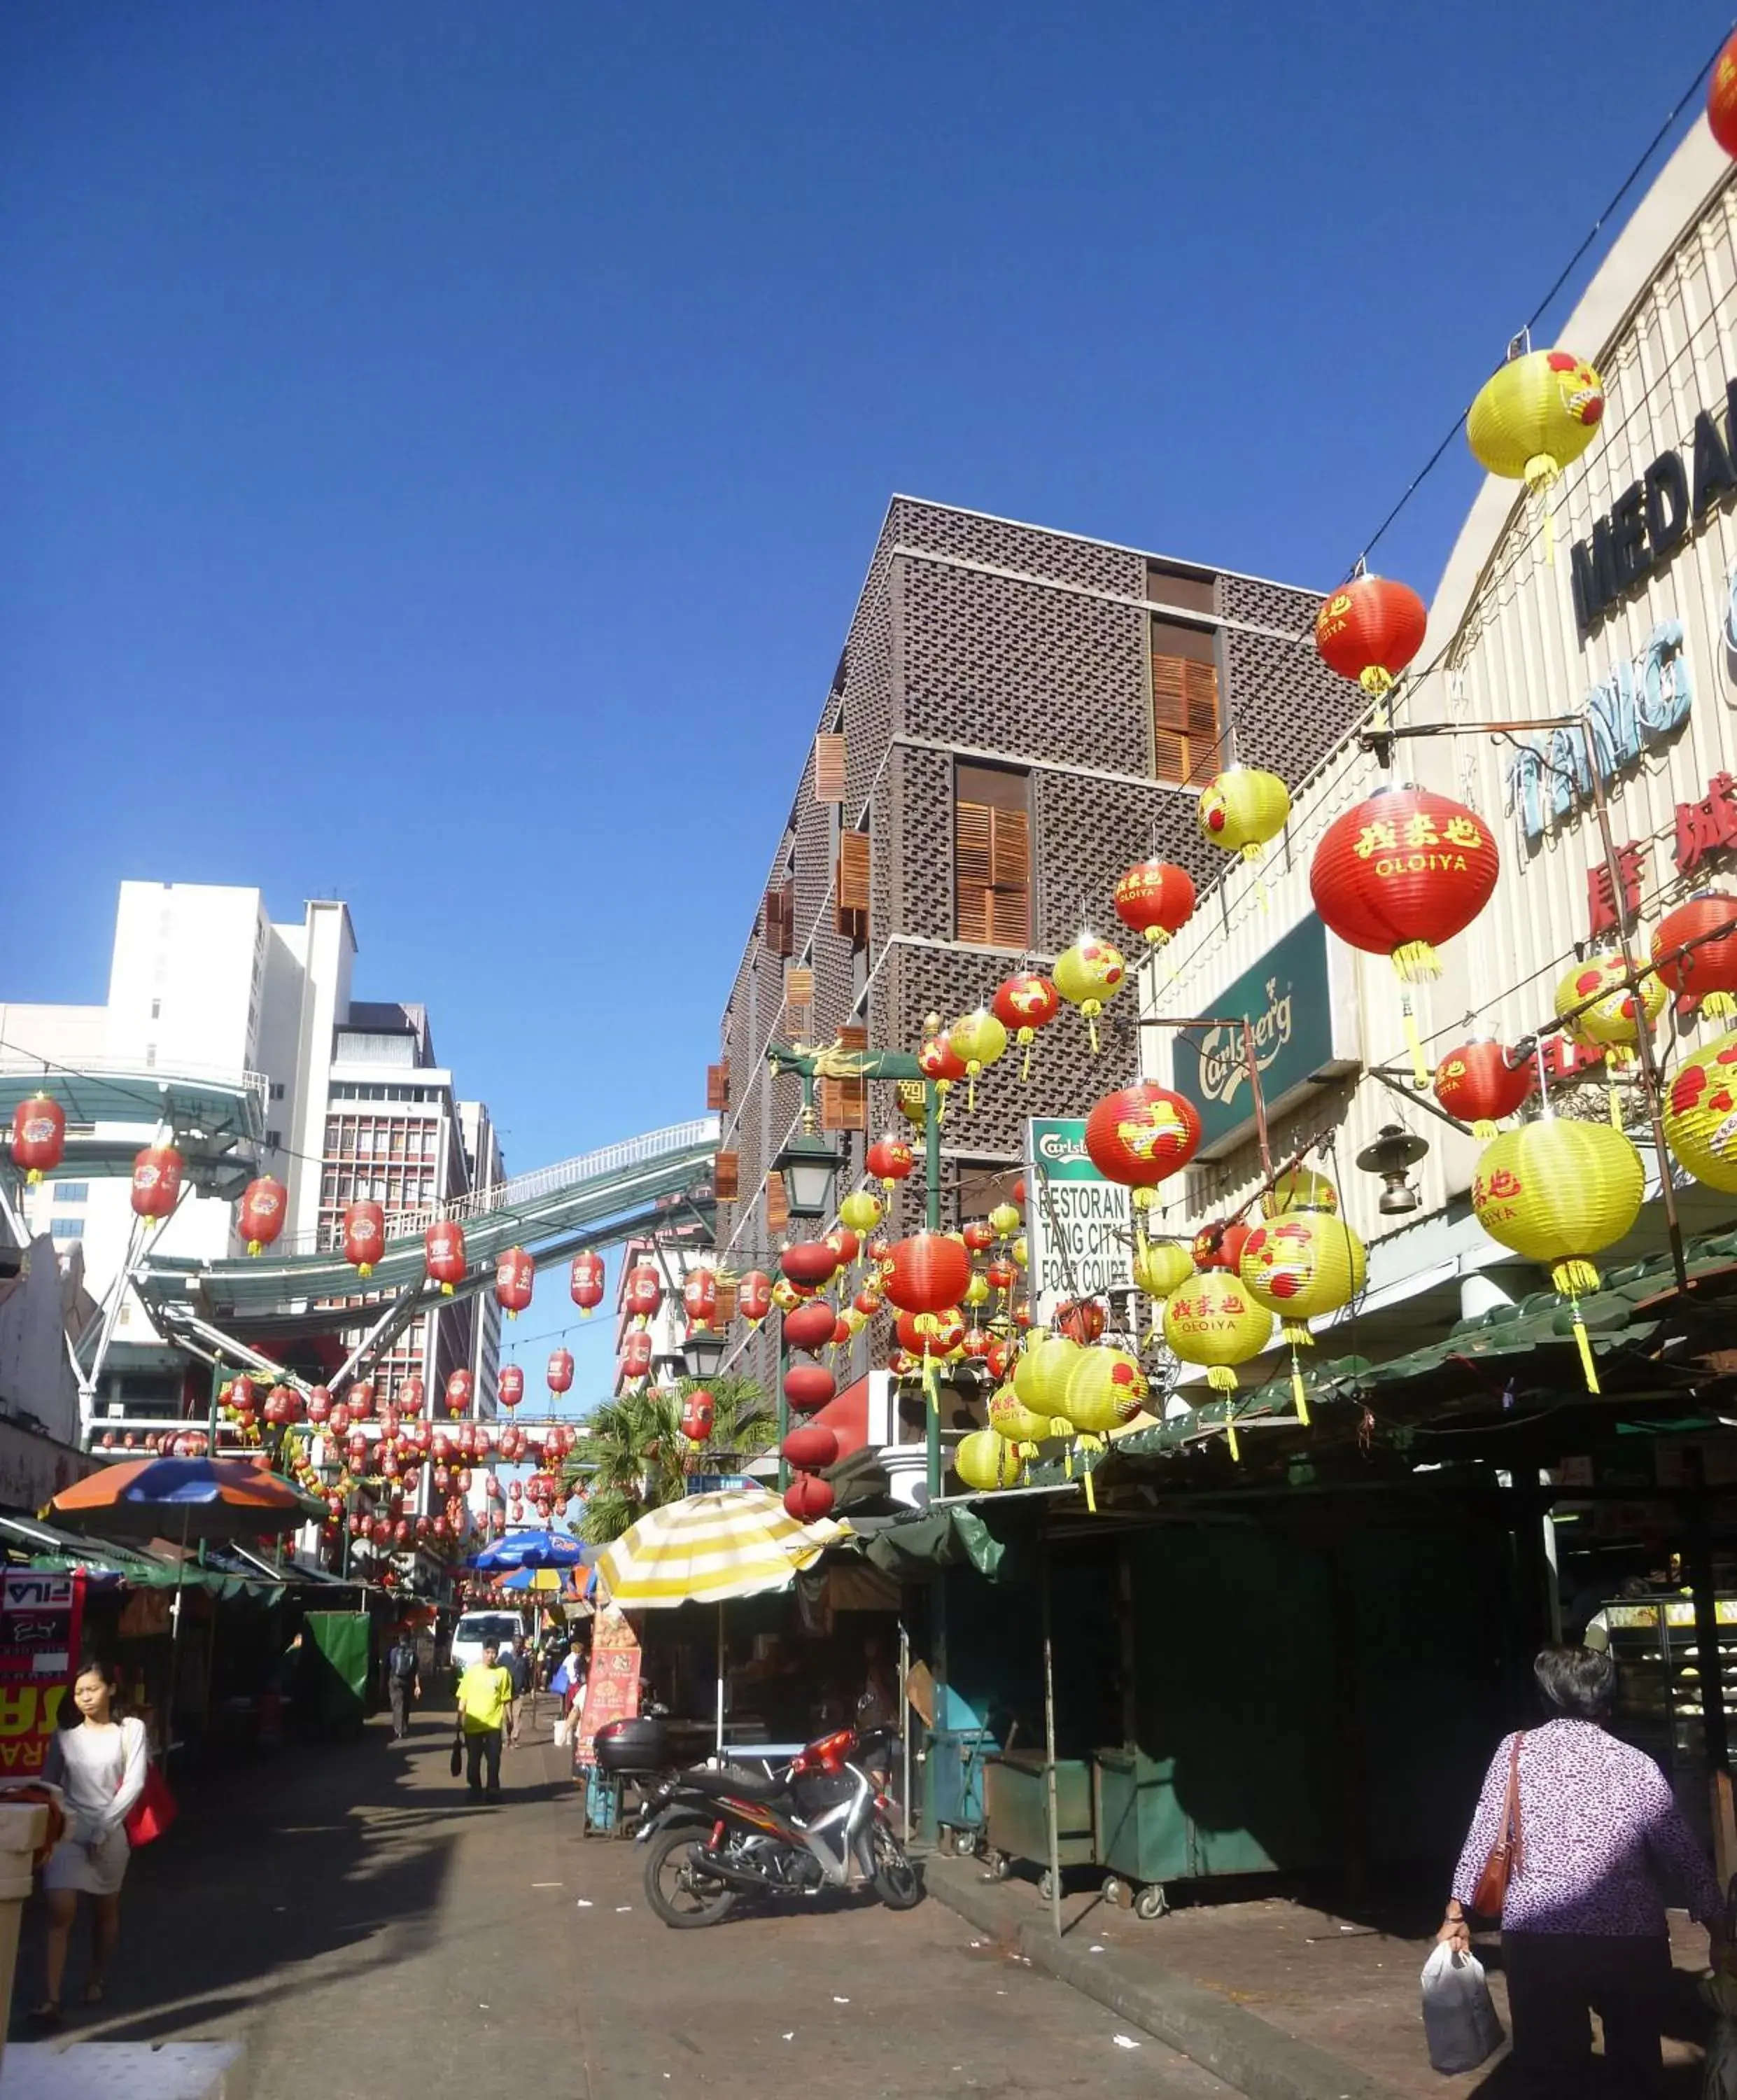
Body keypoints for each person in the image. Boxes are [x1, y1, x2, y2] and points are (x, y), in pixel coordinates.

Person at [1440, 1644, 1724, 2096]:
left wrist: (1456, 1915)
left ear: (1545, 1701)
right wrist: (1720, 1929)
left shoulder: (1515, 1753)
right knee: (1635, 2068)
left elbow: (1484, 1835)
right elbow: (1682, 1854)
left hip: (1541, 1940)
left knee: (1552, 2072)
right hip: (1631, 1942)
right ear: (1607, 1704)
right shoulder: (1637, 1766)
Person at [34, 1660, 148, 2026]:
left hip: (109, 1836)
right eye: (79, 1691)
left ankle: (95, 1979)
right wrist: (61, 1826)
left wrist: (102, 1829)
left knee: (104, 1913)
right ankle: (50, 1999)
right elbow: (49, 1785)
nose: (85, 1697)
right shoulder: (64, 1737)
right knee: (59, 1909)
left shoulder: (129, 1731)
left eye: (92, 1689)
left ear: (111, 1689)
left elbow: (134, 1784)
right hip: (69, 1835)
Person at [454, 1639, 514, 1799]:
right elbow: (463, 1698)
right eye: (487, 1652)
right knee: (474, 1761)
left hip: (493, 1725)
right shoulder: (472, 1673)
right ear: (482, 1652)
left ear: (497, 1654)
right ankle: (475, 1788)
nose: (490, 1656)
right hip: (473, 1725)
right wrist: (459, 1718)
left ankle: (493, 1788)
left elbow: (506, 1699)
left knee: (494, 1759)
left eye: (493, 1653)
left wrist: (510, 1719)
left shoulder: (503, 1673)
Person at [386, 1630, 421, 1742]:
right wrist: (417, 1686)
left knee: (397, 1705)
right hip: (408, 1682)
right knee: (406, 1705)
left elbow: (389, 1666)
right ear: (409, 1641)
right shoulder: (413, 1653)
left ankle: (399, 1730)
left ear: (399, 1640)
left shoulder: (394, 1652)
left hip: (395, 1681)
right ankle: (404, 1727)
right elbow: (416, 1671)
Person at [504, 1636, 531, 1747]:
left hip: (519, 1691)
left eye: (520, 1643)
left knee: (517, 1715)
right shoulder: (504, 1658)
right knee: (506, 1717)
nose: (518, 1645)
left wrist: (527, 1688)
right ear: (512, 1643)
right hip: (506, 1691)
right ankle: (506, 1738)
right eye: (516, 1643)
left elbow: (527, 1674)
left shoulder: (524, 1659)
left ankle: (514, 1738)